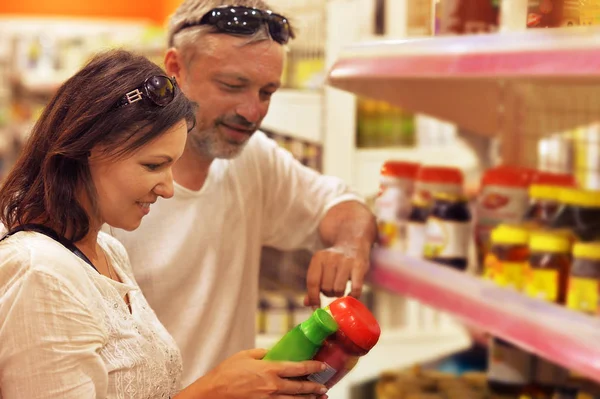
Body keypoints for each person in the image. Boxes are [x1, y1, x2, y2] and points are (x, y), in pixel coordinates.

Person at [0, 49, 330, 399]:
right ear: (90, 149)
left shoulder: (108, 252)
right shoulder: (39, 274)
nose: (169, 189)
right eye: (154, 166)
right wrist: (214, 391)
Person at [107, 0, 378, 387]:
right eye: (232, 86)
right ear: (175, 69)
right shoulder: (109, 188)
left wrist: (350, 246)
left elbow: (341, 205)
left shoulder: (254, 159)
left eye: (267, 92)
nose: (253, 112)